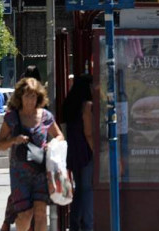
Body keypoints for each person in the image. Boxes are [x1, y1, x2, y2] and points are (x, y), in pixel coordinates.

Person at [0, 77, 64, 231]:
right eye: (27, 95)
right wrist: (14, 140)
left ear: (38, 96)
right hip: (20, 174)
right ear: (20, 97)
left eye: (33, 95)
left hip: (41, 171)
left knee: (40, 212)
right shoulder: (12, 118)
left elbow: (59, 136)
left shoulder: (46, 116)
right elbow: (0, 144)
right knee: (25, 213)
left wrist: (52, 143)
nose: (30, 100)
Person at [64, 75, 95, 231]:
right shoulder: (87, 105)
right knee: (87, 188)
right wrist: (95, 151)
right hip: (85, 151)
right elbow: (89, 132)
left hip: (74, 151)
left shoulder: (71, 104)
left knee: (80, 188)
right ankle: (88, 224)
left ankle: (75, 223)